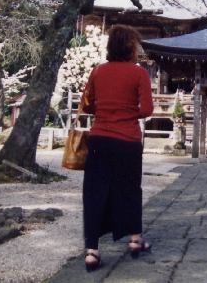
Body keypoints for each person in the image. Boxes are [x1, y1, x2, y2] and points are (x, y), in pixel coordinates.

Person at [79, 24, 154, 272]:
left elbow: (87, 105)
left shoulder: (98, 71)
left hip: (100, 138)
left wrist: (106, 110)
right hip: (128, 141)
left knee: (94, 191)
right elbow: (146, 110)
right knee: (130, 189)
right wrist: (126, 112)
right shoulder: (139, 73)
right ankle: (134, 240)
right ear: (130, 47)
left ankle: (92, 251)